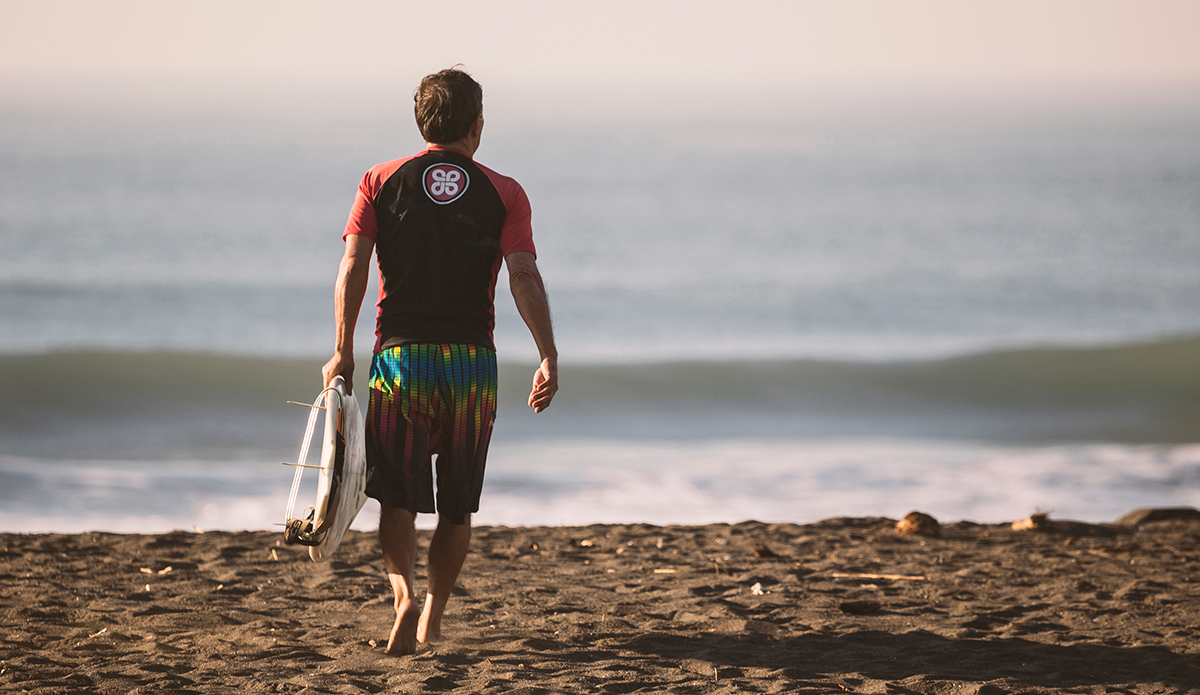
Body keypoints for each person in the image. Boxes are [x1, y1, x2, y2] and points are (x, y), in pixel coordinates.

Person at [321, 67, 558, 656]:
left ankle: (401, 597)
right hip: (472, 367)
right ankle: (432, 617)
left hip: (401, 359)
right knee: (457, 504)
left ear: (421, 122)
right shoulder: (504, 191)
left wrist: (342, 348)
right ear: (477, 126)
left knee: (396, 497)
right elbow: (522, 274)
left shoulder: (380, 180)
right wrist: (548, 354)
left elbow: (352, 268)